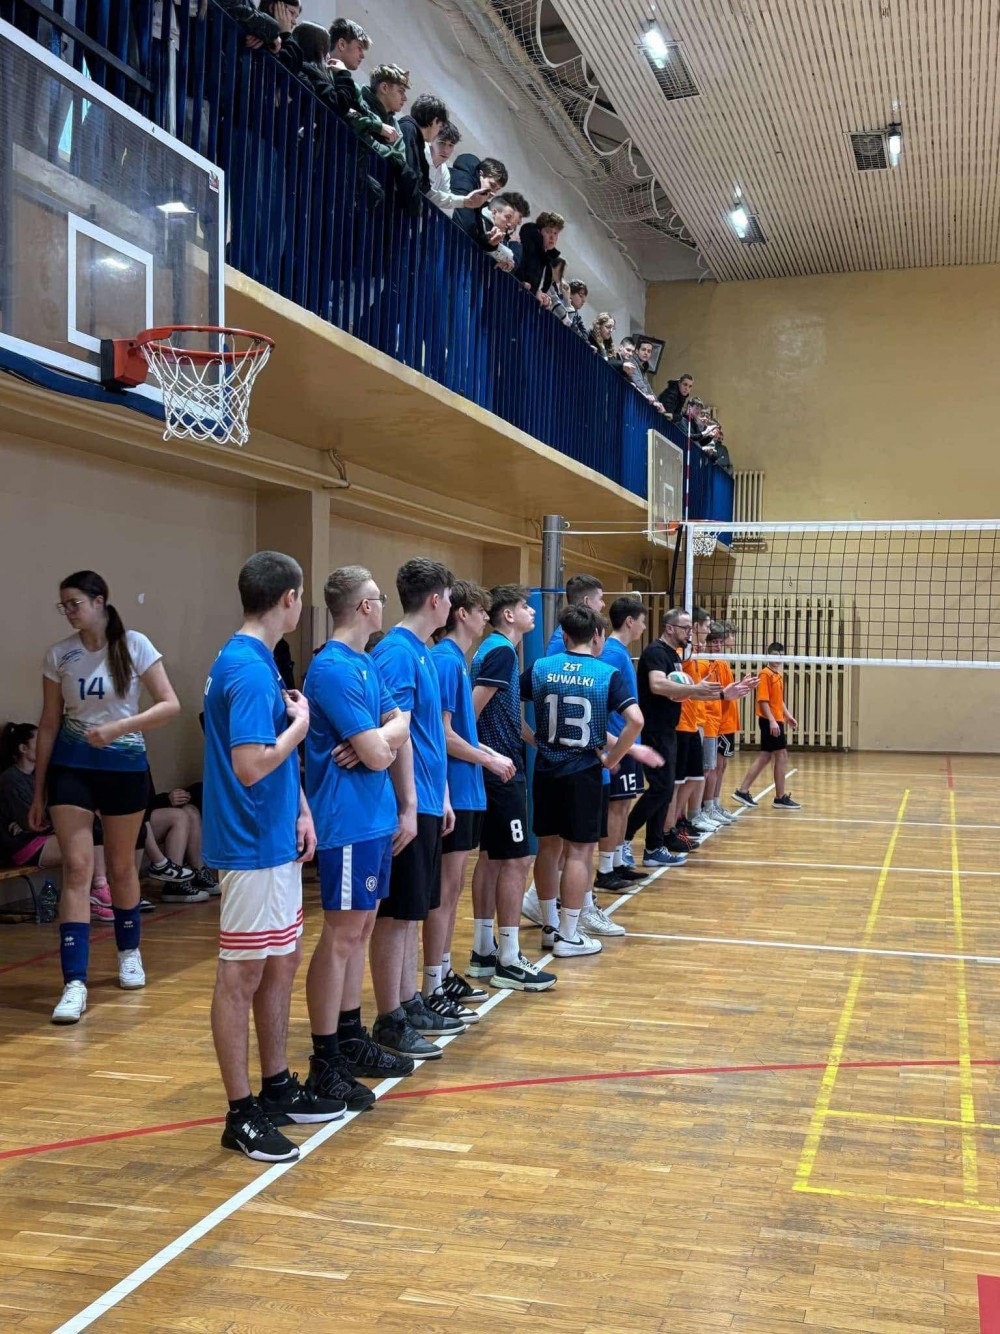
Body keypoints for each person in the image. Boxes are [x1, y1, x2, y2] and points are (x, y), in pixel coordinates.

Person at [203, 551, 345, 1164]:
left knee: (280, 963)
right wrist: (300, 729)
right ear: (289, 599)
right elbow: (250, 763)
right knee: (241, 976)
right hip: (249, 842)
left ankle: (278, 1085)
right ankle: (240, 1114)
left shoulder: (258, 660)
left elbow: (271, 762)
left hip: (275, 837)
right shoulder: (246, 668)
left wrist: (302, 809)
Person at [30, 571, 182, 1024]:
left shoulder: (134, 644)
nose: (68, 612)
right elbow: (49, 723)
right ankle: (74, 982)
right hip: (72, 769)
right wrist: (38, 791)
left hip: (124, 768)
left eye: (74, 603)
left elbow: (169, 704)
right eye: (63, 605)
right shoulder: (59, 654)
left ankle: (128, 952)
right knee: (78, 868)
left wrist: (120, 727)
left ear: (99, 601)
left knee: (120, 867)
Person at [303, 566, 415, 1105]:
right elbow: (374, 753)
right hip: (345, 822)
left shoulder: (365, 661)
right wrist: (379, 741)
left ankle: (350, 1037)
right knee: (341, 935)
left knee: (361, 929)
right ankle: (325, 1058)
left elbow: (401, 726)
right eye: (379, 598)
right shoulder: (331, 669)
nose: (383, 605)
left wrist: (382, 737)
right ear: (364, 606)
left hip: (373, 818)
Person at [369, 559, 466, 1059]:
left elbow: (427, 734)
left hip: (428, 800)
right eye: (448, 596)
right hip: (406, 805)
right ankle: (389, 1018)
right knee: (395, 916)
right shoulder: (396, 653)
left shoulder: (423, 652)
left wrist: (440, 795)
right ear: (435, 600)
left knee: (411, 913)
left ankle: (408, 1002)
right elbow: (394, 733)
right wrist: (406, 805)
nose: (451, 604)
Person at [522, 605, 643, 959]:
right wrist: (613, 758)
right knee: (579, 852)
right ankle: (569, 934)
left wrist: (532, 738)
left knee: (548, 848)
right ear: (597, 636)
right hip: (583, 771)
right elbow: (636, 720)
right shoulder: (605, 673)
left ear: (564, 635)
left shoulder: (541, 667)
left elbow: (508, 702)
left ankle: (549, 928)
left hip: (546, 768)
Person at [430, 581, 517, 1007]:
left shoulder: (458, 662)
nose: (486, 617)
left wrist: (490, 754)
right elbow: (442, 735)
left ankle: (444, 972)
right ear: (461, 614)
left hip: (467, 791)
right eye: (481, 610)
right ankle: (435, 980)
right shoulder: (447, 661)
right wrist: (488, 759)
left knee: (452, 891)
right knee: (445, 894)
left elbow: (460, 731)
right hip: (455, 792)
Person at [469, 585, 555, 991]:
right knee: (518, 861)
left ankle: (483, 951)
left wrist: (538, 743)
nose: (531, 611)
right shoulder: (501, 651)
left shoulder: (497, 650)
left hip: (497, 767)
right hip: (500, 773)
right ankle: (508, 958)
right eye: (524, 606)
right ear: (508, 615)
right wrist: (487, 755)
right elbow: (470, 712)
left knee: (490, 859)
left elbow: (504, 714)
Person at [623, 608, 723, 866]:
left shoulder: (674, 655)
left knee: (665, 790)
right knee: (662, 788)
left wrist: (722, 694)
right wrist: (694, 688)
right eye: (685, 628)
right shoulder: (656, 653)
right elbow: (657, 685)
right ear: (669, 628)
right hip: (654, 729)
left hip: (669, 729)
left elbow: (683, 691)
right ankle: (625, 836)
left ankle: (654, 848)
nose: (690, 632)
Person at [596, 597, 658, 892]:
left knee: (623, 804)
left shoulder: (620, 652)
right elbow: (602, 699)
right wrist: (611, 747)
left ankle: (618, 862)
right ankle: (605, 869)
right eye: (642, 621)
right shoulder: (611, 653)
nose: (644, 627)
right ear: (630, 621)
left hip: (628, 741)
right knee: (616, 806)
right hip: (617, 742)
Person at [734, 642, 801, 809]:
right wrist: (771, 720)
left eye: (781, 656)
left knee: (766, 756)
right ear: (768, 656)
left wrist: (787, 716)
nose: (778, 658)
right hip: (769, 720)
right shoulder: (765, 674)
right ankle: (779, 797)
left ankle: (743, 790)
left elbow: (778, 700)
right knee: (781, 755)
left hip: (776, 720)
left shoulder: (778, 675)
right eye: (775, 655)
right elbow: (763, 700)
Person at [698, 622, 737, 826]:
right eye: (715, 642)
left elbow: (729, 691)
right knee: (710, 768)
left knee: (718, 766)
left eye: (721, 642)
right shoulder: (703, 662)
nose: (719, 646)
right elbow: (718, 694)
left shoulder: (720, 663)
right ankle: (705, 808)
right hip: (710, 722)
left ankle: (712, 805)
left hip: (722, 722)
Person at [450, 154, 509, 248]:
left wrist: (489, 242)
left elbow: (475, 231)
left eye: (497, 189)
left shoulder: (478, 193)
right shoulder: (463, 180)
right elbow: (464, 227)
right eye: (492, 185)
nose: (493, 193)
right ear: (480, 174)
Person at [515, 211, 564, 306]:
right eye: (548, 231)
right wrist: (535, 292)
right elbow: (523, 279)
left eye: (555, 233)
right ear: (539, 231)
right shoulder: (530, 251)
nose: (552, 237)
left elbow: (540, 289)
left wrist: (545, 299)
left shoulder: (547, 259)